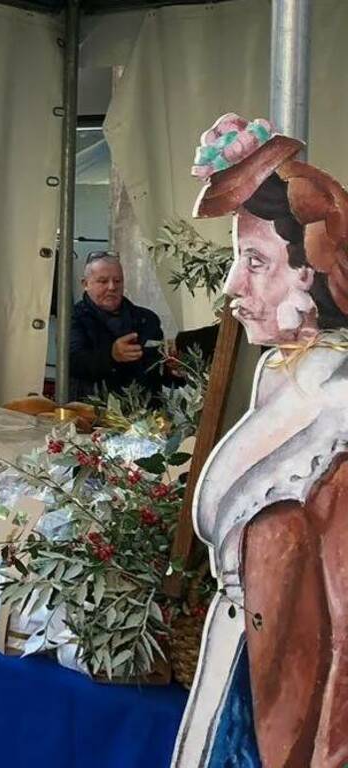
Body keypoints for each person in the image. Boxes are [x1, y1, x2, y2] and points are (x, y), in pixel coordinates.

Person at [174, 113, 348, 768]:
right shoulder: (283, 376)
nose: (231, 288)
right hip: (241, 699)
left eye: (254, 262)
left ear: (310, 275)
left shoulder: (338, 426)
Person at [68, 252, 168, 401]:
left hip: (146, 414)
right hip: (93, 411)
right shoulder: (73, 318)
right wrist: (111, 356)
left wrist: (173, 369)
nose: (112, 287)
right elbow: (73, 362)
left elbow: (157, 368)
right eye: (102, 281)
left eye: (117, 281)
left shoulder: (147, 319)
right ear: (85, 284)